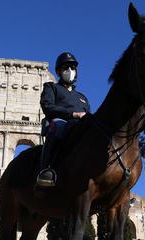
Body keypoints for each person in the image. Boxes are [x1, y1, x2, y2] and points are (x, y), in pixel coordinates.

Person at [37, 52, 91, 188]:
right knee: (57, 126)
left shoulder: (82, 97)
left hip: (81, 126)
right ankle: (46, 169)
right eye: (66, 68)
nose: (70, 71)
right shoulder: (51, 87)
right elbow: (48, 107)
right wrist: (73, 114)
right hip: (61, 122)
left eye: (72, 68)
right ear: (59, 72)